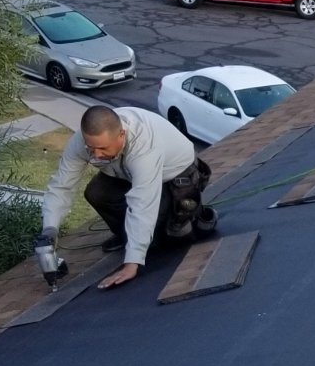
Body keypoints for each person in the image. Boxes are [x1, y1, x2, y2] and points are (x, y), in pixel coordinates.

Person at [39, 105, 209, 290]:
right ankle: (126, 235)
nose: (96, 155)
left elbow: (143, 203)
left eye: (103, 148)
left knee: (166, 237)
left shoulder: (144, 142)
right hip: (127, 173)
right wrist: (49, 228)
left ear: (121, 134)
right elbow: (61, 186)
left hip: (175, 175)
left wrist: (132, 263)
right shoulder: (81, 141)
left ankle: (188, 215)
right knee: (96, 192)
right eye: (91, 148)